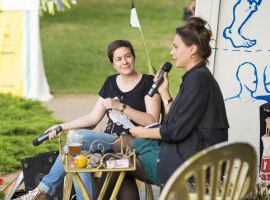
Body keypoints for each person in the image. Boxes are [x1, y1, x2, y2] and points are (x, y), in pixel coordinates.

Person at [96, 17, 229, 199]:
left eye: (175, 47)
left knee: (114, 162)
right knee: (119, 151)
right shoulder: (196, 77)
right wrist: (165, 93)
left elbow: (175, 131)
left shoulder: (199, 80)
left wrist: (143, 132)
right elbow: (176, 121)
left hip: (191, 165)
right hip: (189, 153)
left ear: (192, 50)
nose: (171, 52)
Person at [17, 39, 161, 200]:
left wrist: (121, 107)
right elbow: (93, 118)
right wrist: (61, 126)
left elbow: (152, 121)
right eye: (119, 59)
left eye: (128, 56)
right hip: (108, 144)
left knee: (75, 139)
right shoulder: (110, 83)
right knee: (77, 153)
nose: (125, 62)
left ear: (134, 57)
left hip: (132, 144)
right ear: (113, 64)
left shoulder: (147, 82)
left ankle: (42, 190)